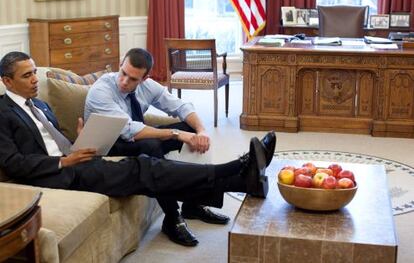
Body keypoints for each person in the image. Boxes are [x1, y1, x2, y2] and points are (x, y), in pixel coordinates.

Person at [0, 51, 275, 247]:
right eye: (27, 75)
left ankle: (240, 178)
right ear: (7, 81)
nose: (36, 79)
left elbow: (57, 142)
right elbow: (14, 163)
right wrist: (64, 162)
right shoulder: (3, 113)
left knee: (150, 167)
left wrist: (77, 143)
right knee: (146, 164)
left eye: (35, 72)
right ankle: (237, 171)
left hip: (79, 162)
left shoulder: (41, 106)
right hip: (58, 176)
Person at [84, 48, 276, 228]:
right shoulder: (101, 90)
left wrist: (200, 131)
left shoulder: (148, 87)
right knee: (151, 146)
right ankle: (173, 215)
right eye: (123, 73)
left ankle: (194, 205)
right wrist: (175, 134)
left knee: (187, 128)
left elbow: (181, 107)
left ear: (144, 78)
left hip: (134, 138)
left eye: (132, 79)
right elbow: (129, 130)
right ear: (120, 64)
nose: (124, 81)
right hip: (108, 146)